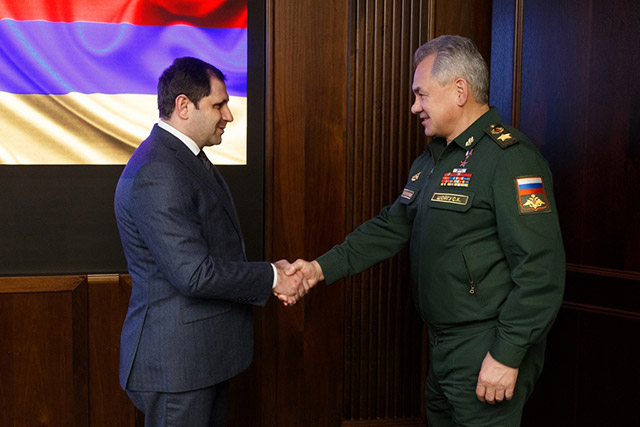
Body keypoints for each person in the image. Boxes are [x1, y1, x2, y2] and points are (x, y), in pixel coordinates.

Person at [284, 35, 565, 426]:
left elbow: (541, 270)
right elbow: (390, 226)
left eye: (421, 95)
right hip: (443, 344)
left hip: (486, 346)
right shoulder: (434, 158)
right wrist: (318, 269)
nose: (415, 106)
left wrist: (506, 353)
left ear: (460, 91)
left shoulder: (510, 159)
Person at [114, 57, 306, 426]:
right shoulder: (159, 171)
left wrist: (272, 273)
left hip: (198, 361)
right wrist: (272, 277)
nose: (228, 115)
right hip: (177, 367)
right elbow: (194, 274)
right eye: (219, 105)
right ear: (184, 106)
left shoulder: (182, 159)